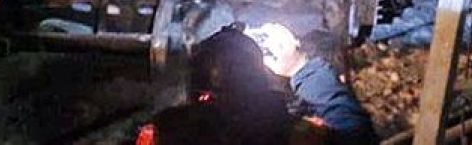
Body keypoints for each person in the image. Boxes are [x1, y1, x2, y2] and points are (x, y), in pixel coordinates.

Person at [136, 24, 376, 145]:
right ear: (258, 76)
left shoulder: (167, 131)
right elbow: (355, 136)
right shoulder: (282, 131)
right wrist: (300, 67)